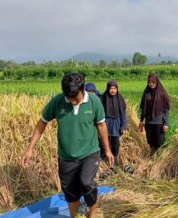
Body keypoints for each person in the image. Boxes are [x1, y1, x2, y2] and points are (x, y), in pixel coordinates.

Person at [20, 73, 114, 218]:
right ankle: (74, 216)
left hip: (89, 152)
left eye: (75, 97)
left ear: (83, 90)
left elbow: (101, 125)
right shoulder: (58, 102)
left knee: (86, 182)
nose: (72, 101)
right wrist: (29, 149)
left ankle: (92, 212)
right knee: (70, 191)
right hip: (66, 156)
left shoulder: (94, 101)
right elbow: (42, 122)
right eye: (69, 98)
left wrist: (107, 150)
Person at [139, 73, 170, 155]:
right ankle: (152, 156)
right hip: (148, 122)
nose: (151, 84)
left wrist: (166, 123)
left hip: (159, 122)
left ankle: (159, 158)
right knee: (150, 140)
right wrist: (141, 121)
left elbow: (166, 110)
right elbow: (143, 108)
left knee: (159, 142)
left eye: (153, 82)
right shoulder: (146, 93)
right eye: (149, 82)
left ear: (157, 82)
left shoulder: (162, 93)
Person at [100, 80, 127, 166]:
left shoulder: (120, 99)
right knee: (104, 141)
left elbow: (123, 114)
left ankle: (115, 159)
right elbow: (99, 113)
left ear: (117, 89)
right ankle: (104, 160)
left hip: (116, 123)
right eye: (111, 88)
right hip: (106, 123)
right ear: (108, 89)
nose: (113, 90)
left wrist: (123, 126)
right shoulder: (103, 98)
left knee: (115, 142)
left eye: (114, 88)